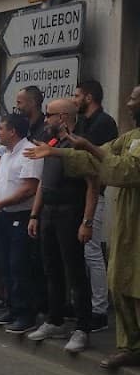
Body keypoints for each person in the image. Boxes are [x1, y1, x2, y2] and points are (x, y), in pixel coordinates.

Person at [26, 84, 140, 370]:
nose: (128, 103)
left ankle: (88, 328)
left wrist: (85, 146)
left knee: (129, 282)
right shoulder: (129, 137)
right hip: (125, 217)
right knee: (119, 280)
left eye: (134, 98)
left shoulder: (108, 138)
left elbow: (123, 172)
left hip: (111, 216)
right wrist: (56, 154)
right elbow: (94, 158)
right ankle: (130, 346)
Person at [25, 97, 97, 355]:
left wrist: (87, 222)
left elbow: (92, 186)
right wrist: (35, 214)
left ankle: (83, 327)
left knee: (75, 272)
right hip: (49, 214)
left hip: (71, 214)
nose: (45, 120)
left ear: (63, 118)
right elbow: (45, 182)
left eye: (50, 115)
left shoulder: (79, 145)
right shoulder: (52, 145)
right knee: (51, 268)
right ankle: (54, 320)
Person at [0, 113, 39, 334]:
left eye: (2, 129)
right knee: (5, 264)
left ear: (13, 131)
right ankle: (12, 308)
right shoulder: (6, 154)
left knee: (20, 265)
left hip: (22, 215)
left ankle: (26, 313)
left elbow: (28, 189)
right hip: (4, 214)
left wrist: (0, 204)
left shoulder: (29, 152)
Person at [74, 79, 118, 332]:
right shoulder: (83, 122)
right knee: (81, 251)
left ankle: (99, 309)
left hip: (95, 194)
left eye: (78, 95)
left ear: (89, 97)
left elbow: (94, 160)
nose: (75, 99)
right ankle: (84, 303)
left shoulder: (103, 123)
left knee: (92, 251)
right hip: (78, 194)